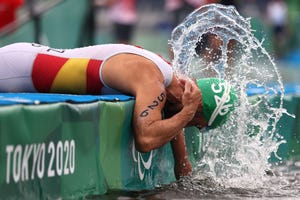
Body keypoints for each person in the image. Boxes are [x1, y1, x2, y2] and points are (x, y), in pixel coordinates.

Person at [0, 42, 236, 179]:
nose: (191, 126)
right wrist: (186, 114)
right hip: (18, 70)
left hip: (30, 62)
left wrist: (182, 162)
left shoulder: (168, 80)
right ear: (194, 109)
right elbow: (145, 138)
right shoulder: (152, 82)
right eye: (197, 124)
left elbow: (182, 162)